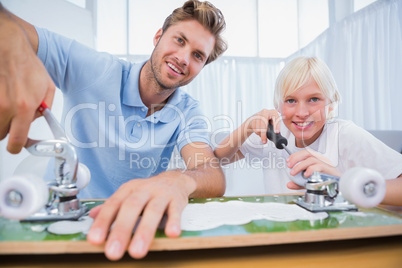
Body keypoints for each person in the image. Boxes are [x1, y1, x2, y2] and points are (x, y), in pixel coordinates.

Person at [0, 0, 227, 260]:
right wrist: (14, 47)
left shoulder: (188, 111)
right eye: (179, 40)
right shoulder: (96, 70)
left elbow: (212, 174)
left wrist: (179, 180)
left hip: (130, 231)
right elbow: (13, 26)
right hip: (57, 226)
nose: (183, 58)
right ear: (158, 37)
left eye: (198, 55)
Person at [214, 56, 402, 205]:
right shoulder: (275, 134)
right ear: (277, 106)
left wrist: (344, 182)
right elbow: (218, 159)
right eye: (291, 101)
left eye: (314, 99)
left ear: (331, 104)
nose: (302, 113)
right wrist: (248, 126)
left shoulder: (345, 135)